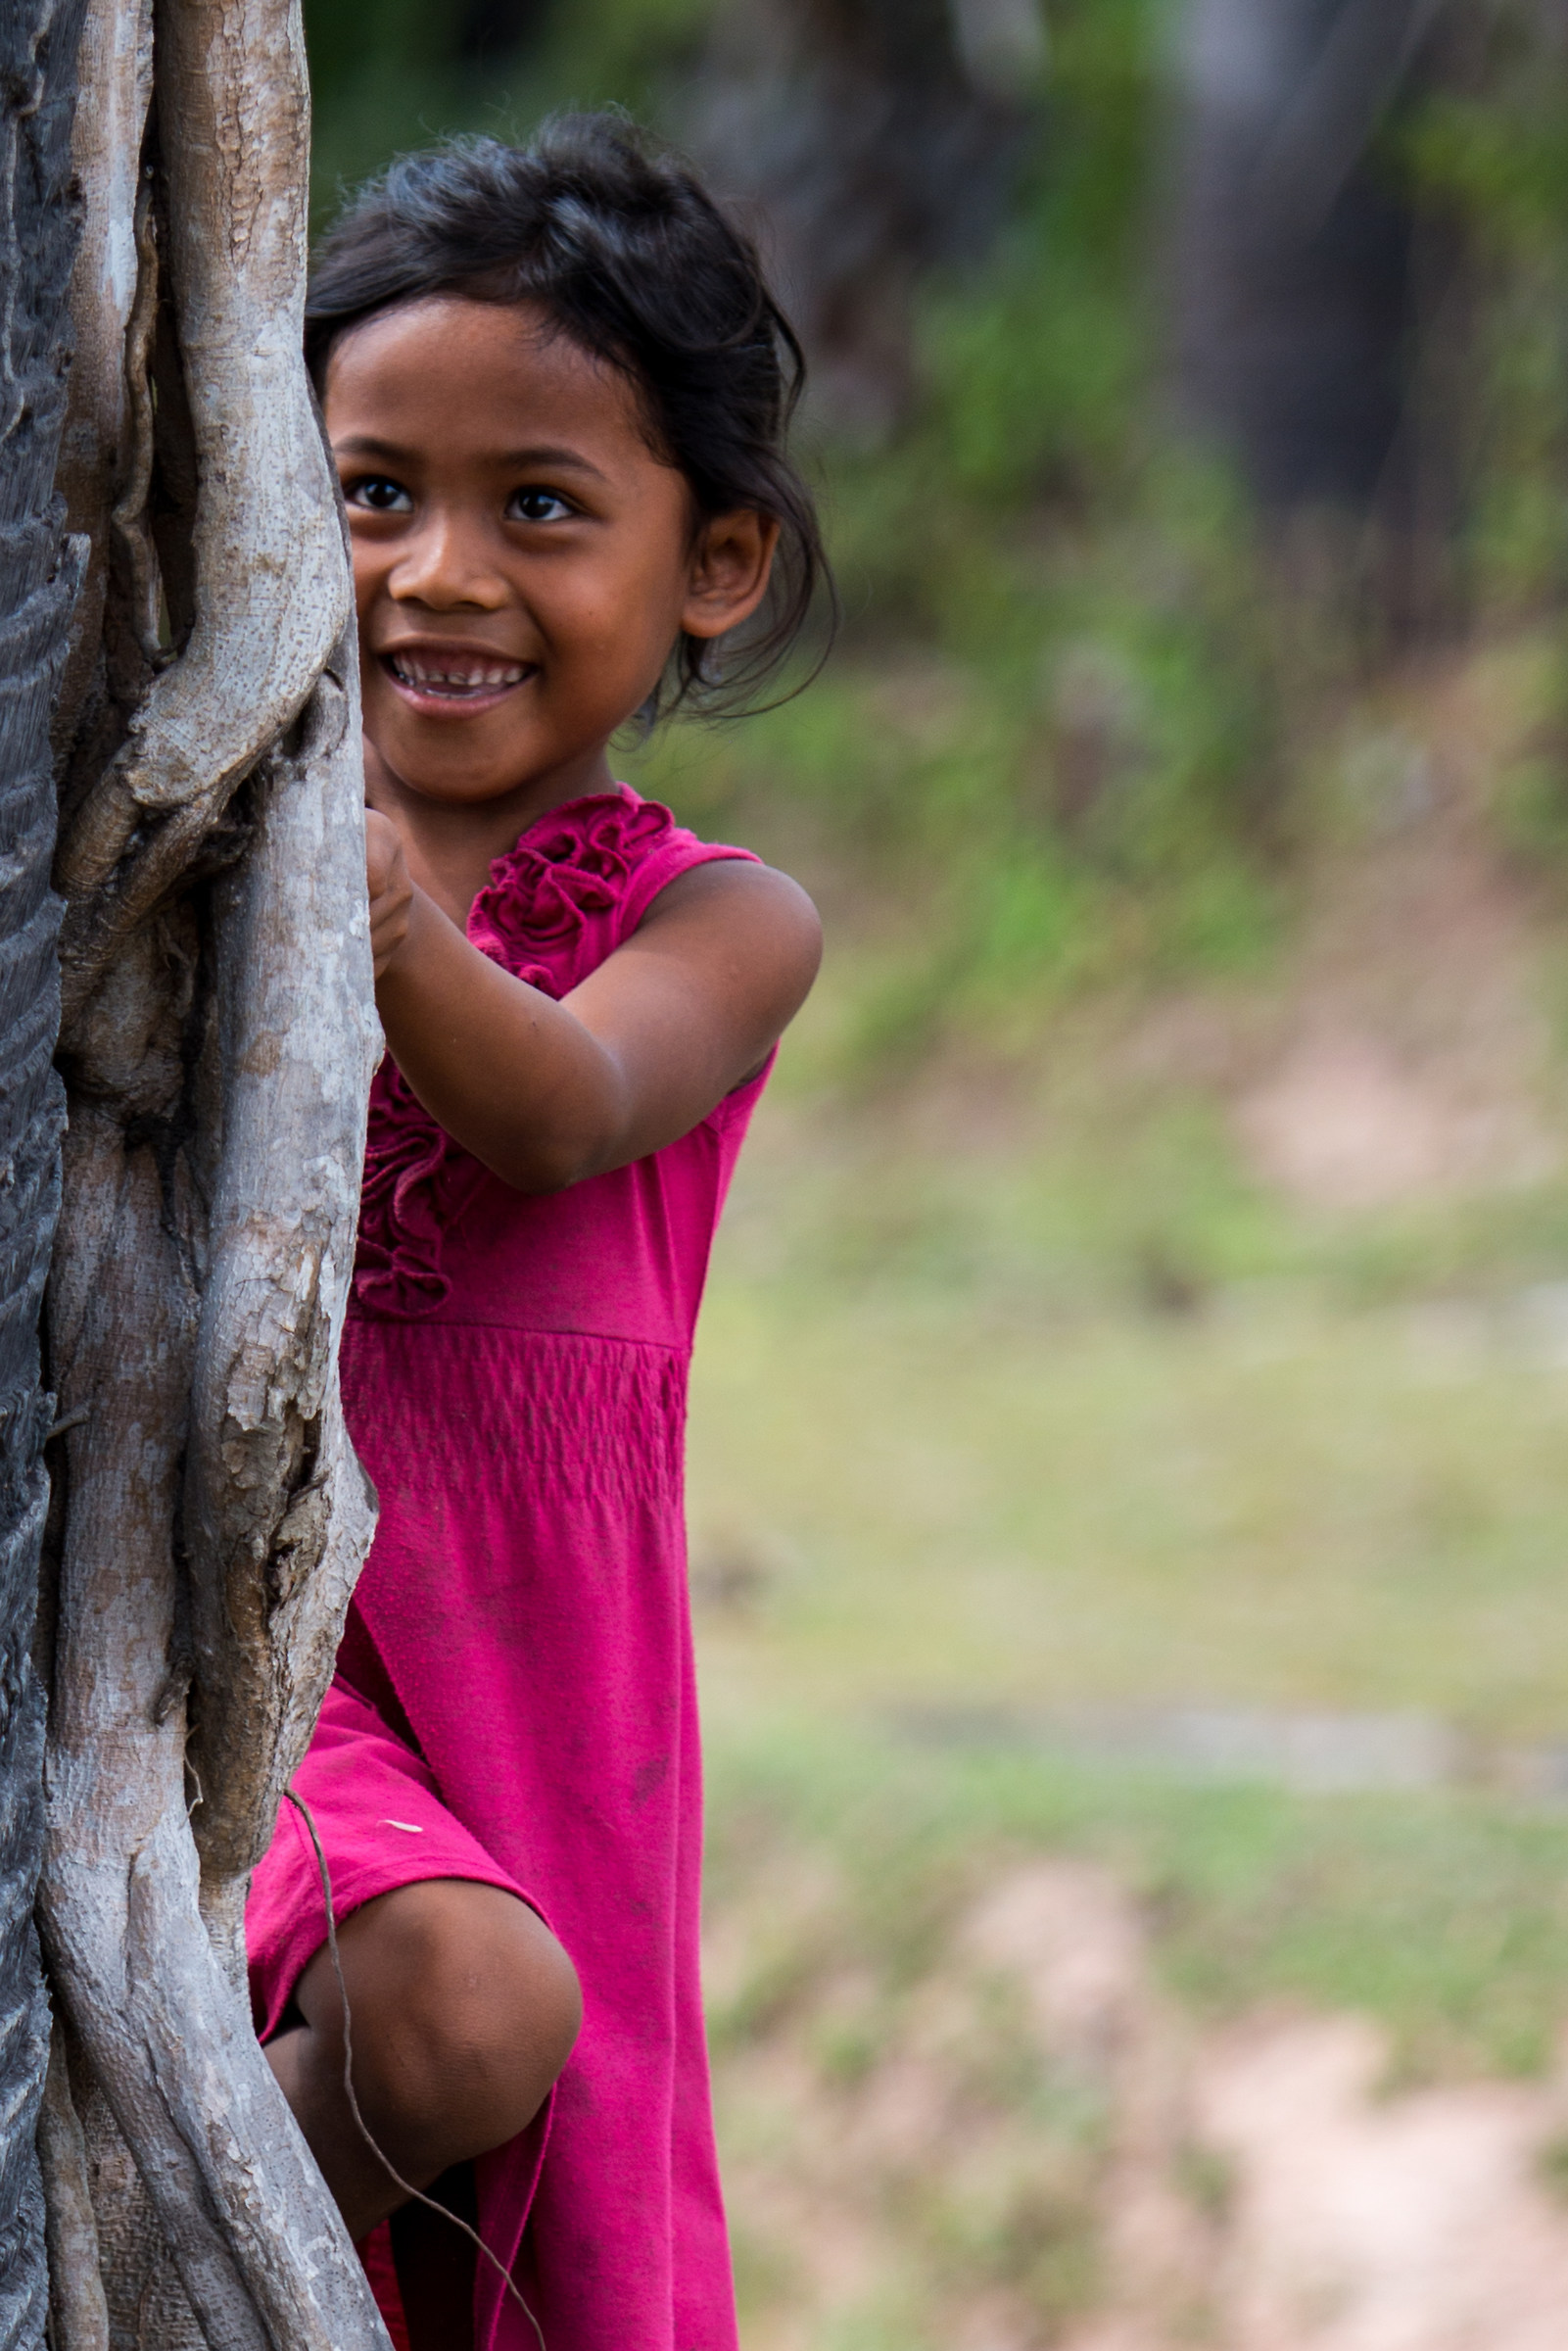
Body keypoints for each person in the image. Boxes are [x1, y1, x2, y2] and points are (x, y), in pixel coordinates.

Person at [245, 114, 829, 2351]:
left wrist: (380, 909)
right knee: (466, 2009)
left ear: (717, 562)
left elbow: (564, 1111)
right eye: (372, 492)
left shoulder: (717, 923)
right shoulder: (197, 858)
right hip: (245, 1623)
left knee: (529, 2168)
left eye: (542, 509)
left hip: (539, 1683)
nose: (435, 574)